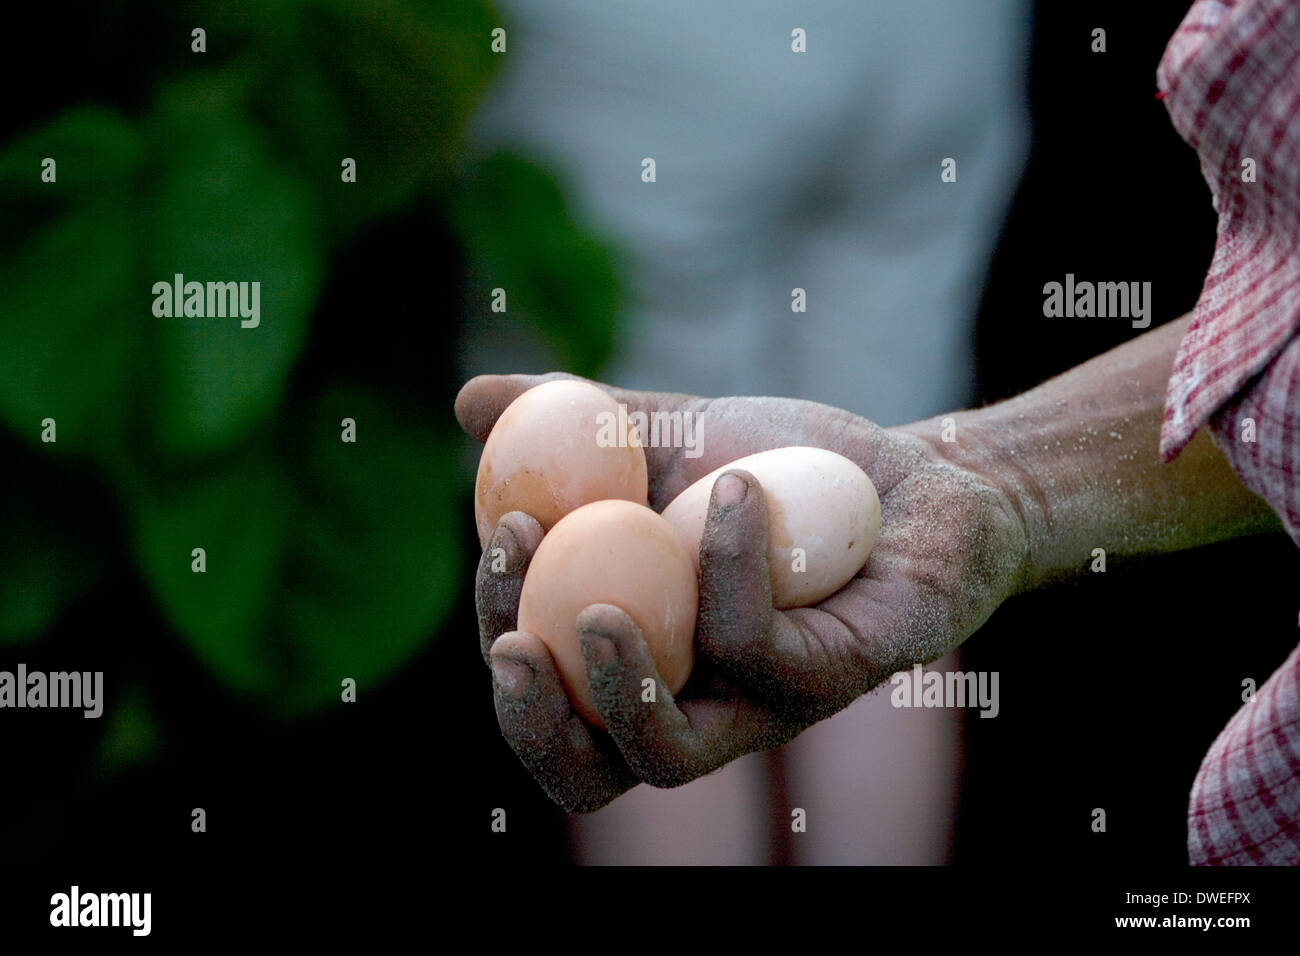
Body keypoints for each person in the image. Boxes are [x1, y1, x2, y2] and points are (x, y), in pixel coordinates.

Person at [458, 0, 1300, 865]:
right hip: (937, 50)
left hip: (667, 55)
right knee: (871, 515)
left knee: (640, 613)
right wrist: (997, 482)